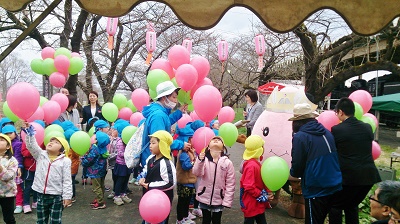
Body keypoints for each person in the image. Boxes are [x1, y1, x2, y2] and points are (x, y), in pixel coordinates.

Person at [329, 97, 381, 224]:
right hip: (368, 177)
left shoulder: (337, 130)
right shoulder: (367, 128)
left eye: (336, 113)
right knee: (351, 206)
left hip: (348, 178)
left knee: (335, 206)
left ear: (341, 112)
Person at [289, 103, 342, 224]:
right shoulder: (327, 132)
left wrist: (293, 173)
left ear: (296, 122)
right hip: (335, 183)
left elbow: (297, 165)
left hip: (316, 186)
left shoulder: (300, 137)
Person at [22, 123, 72, 223]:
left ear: (61, 150)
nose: (51, 143)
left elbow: (67, 180)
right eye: (51, 141)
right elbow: (31, 146)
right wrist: (29, 133)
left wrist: (67, 196)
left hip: (56, 196)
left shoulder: (65, 161)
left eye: (56, 142)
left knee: (55, 221)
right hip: (40, 194)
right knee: (41, 221)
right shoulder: (41, 155)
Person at [140, 81, 186, 168]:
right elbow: (160, 141)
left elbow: (166, 122)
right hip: (154, 162)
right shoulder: (158, 116)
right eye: (174, 97)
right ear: (164, 98)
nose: (176, 101)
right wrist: (181, 144)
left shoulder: (160, 112)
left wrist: (179, 112)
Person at [192, 136, 236, 224]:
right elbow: (197, 172)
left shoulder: (227, 163)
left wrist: (227, 200)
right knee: (206, 220)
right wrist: (200, 160)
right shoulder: (204, 160)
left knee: (216, 221)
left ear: (223, 148)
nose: (216, 140)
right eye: (213, 140)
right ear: (208, 147)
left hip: (219, 198)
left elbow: (230, 183)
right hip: (204, 196)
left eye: (219, 140)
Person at [137, 130, 177, 224]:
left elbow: (170, 183)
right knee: (147, 218)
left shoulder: (166, 163)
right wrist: (141, 178)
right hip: (149, 199)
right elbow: (145, 170)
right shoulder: (150, 158)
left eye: (153, 143)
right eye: (150, 142)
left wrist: (150, 185)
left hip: (161, 203)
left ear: (162, 145)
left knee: (159, 221)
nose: (150, 145)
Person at [174, 121, 204, 224]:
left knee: (186, 202)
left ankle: (185, 217)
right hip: (184, 183)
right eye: (191, 139)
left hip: (190, 182)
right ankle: (180, 219)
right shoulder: (183, 153)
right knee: (182, 202)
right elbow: (186, 166)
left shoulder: (190, 151)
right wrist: (194, 162)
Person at [240, 135, 274, 224]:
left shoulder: (255, 164)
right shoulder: (252, 166)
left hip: (257, 203)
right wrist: (262, 194)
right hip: (251, 203)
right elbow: (248, 186)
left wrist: (268, 191)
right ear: (260, 149)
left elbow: (262, 180)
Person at [81, 131, 110, 210]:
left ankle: (100, 202)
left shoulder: (95, 148)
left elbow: (89, 159)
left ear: (97, 140)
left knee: (96, 187)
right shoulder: (103, 148)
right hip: (102, 170)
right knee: (101, 186)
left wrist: (83, 160)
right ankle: (99, 199)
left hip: (95, 171)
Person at [107, 120, 132, 206]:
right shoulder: (120, 141)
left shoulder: (129, 141)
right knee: (119, 180)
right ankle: (117, 195)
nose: (113, 131)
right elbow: (120, 154)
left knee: (125, 180)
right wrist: (128, 154)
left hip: (127, 164)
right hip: (121, 164)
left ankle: (123, 193)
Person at [2, 125, 24, 214]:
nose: (8, 135)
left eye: (10, 133)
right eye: (6, 134)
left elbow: (18, 157)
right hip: (4, 171)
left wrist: (19, 167)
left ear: (15, 133)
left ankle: (19, 204)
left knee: (17, 187)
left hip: (13, 168)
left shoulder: (17, 144)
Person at [0, 133, 18, 224]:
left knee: (8, 218)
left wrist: (1, 168)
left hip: (7, 194)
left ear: (8, 146)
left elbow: (8, 177)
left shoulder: (12, 160)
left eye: (1, 140)